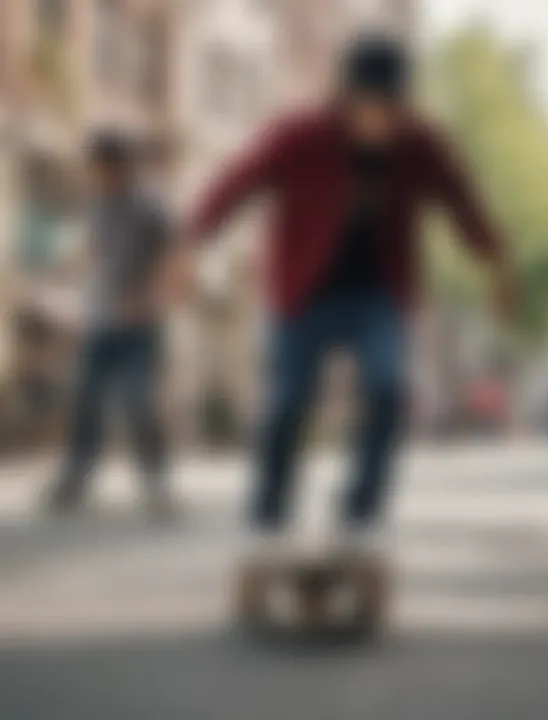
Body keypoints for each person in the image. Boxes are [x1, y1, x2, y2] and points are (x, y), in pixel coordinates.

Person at [184, 34, 516, 551]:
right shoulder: (300, 135)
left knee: (387, 388)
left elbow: (463, 202)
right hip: (302, 291)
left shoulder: (421, 143)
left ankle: (360, 512)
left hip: (378, 294)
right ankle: (269, 514)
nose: (382, 122)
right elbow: (239, 181)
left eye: (392, 109)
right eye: (371, 108)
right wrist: (192, 243)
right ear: (346, 98)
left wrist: (497, 267)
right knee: (288, 401)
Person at [47, 131, 176, 520]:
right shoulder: (94, 203)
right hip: (98, 320)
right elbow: (89, 250)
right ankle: (76, 477)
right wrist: (67, 285)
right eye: (93, 169)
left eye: (102, 167)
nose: (97, 175)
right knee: (85, 399)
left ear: (122, 166)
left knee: (138, 401)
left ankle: (154, 482)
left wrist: (149, 299)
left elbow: (175, 256)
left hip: (139, 324)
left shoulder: (151, 206)